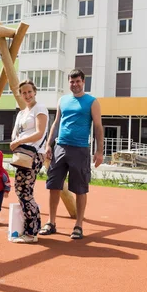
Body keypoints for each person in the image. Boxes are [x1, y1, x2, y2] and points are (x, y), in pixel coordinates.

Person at [39, 69, 103, 240]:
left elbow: (98, 127)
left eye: (78, 81)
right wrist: (48, 145)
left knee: (80, 189)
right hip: (60, 147)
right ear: (68, 83)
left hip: (80, 149)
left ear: (83, 82)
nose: (75, 84)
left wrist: (99, 151)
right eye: (72, 82)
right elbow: (56, 123)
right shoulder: (63, 100)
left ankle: (78, 225)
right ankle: (51, 222)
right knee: (53, 186)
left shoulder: (92, 102)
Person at [9, 80, 49, 244]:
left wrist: (19, 142)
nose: (27, 95)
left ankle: (31, 232)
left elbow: (40, 133)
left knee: (25, 191)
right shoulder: (21, 113)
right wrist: (15, 141)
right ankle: (33, 226)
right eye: (23, 93)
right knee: (20, 189)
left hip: (33, 154)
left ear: (35, 92)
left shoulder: (40, 109)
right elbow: (16, 133)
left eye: (29, 92)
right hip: (22, 154)